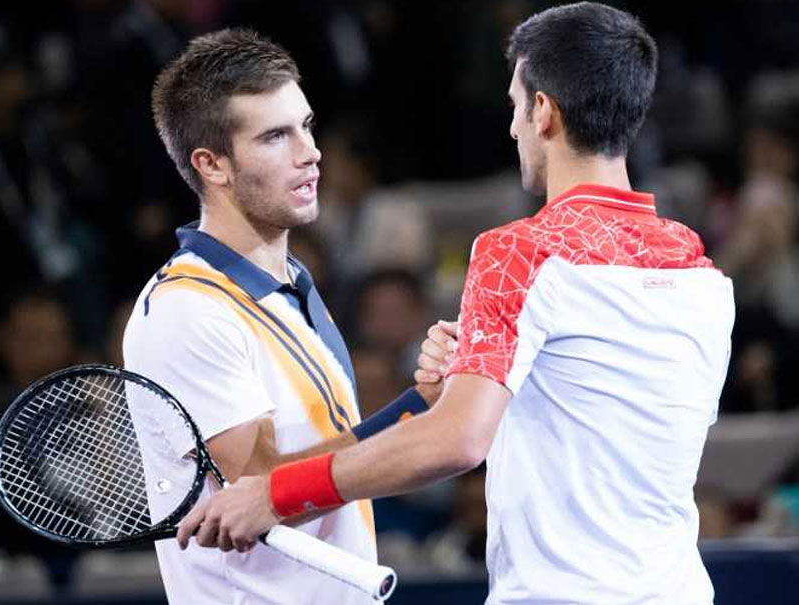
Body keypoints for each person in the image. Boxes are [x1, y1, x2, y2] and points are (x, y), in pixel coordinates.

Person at [179, 4, 736, 604]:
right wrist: (486, 370)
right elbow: (602, 419)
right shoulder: (702, 274)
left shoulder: (520, 254)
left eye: (515, 106)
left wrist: (275, 493)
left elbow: (457, 442)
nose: (513, 128)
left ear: (543, 110)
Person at [122, 28, 438, 605]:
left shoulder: (288, 284)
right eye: (275, 136)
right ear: (211, 165)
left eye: (306, 126)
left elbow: (301, 478)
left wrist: (422, 404)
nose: (310, 152)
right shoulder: (187, 310)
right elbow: (267, 492)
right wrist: (416, 413)